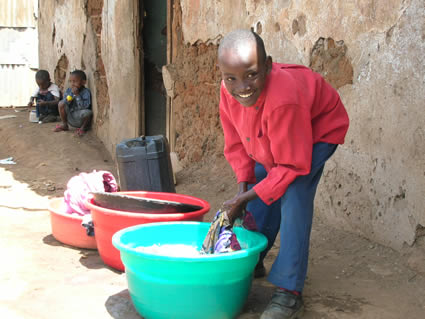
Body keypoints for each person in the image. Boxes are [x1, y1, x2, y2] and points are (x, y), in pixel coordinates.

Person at [218, 29, 349, 319]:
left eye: (252, 74)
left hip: (317, 131)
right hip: (275, 139)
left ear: (268, 65)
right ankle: (254, 258)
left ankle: (289, 291)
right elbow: (237, 145)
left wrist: (249, 195)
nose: (242, 86)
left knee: (294, 194)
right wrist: (243, 192)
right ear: (223, 75)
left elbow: (291, 166)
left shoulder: (283, 98)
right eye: (232, 78)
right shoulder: (228, 92)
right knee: (260, 188)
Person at [53, 70, 92, 136]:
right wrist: (70, 97)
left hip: (79, 118)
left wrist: (77, 95)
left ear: (83, 82)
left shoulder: (86, 92)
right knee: (61, 103)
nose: (72, 84)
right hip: (70, 117)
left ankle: (83, 128)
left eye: (75, 81)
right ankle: (65, 125)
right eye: (70, 81)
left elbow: (84, 107)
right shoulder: (69, 90)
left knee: (88, 112)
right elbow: (64, 103)